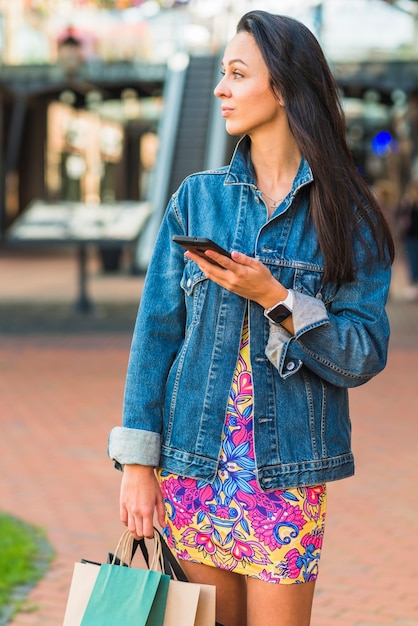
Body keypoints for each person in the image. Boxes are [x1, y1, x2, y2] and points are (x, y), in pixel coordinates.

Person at [108, 10, 394, 626]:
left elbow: (365, 349)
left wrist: (279, 299)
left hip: (286, 475)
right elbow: (156, 336)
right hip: (193, 466)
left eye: (238, 75)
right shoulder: (196, 198)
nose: (220, 89)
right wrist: (137, 463)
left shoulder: (349, 216)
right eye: (221, 74)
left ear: (286, 88)